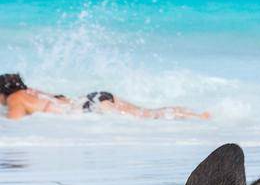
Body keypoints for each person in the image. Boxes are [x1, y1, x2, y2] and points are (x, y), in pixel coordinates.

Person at [1, 73, 209, 121]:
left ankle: (197, 117)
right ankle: (197, 116)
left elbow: (15, 121)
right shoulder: (31, 92)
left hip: (90, 107)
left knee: (143, 119)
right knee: (148, 115)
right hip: (94, 98)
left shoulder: (15, 98)